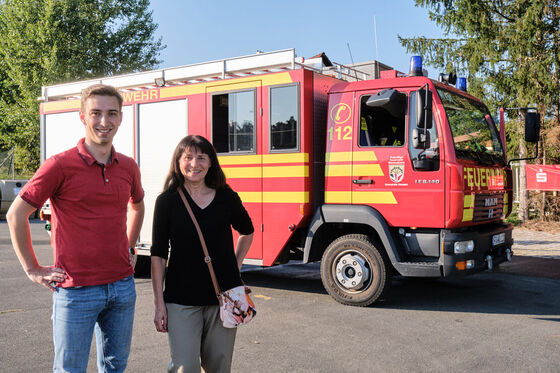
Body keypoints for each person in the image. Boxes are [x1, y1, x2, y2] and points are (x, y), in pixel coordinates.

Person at [7, 84, 145, 373]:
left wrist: (130, 247)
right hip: (75, 290)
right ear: (82, 116)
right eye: (96, 113)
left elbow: (137, 205)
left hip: (122, 287)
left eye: (111, 114)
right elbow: (16, 214)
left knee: (115, 367)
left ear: (121, 118)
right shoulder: (59, 165)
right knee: (70, 369)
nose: (104, 122)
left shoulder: (128, 167)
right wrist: (32, 268)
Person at [151, 134, 254, 373]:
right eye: (188, 157)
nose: (194, 164)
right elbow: (158, 254)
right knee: (184, 367)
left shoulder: (226, 197)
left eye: (201, 158)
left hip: (224, 296)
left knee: (219, 365)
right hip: (181, 299)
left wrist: (235, 265)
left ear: (211, 162)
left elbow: (247, 231)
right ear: (178, 162)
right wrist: (159, 303)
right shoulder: (167, 201)